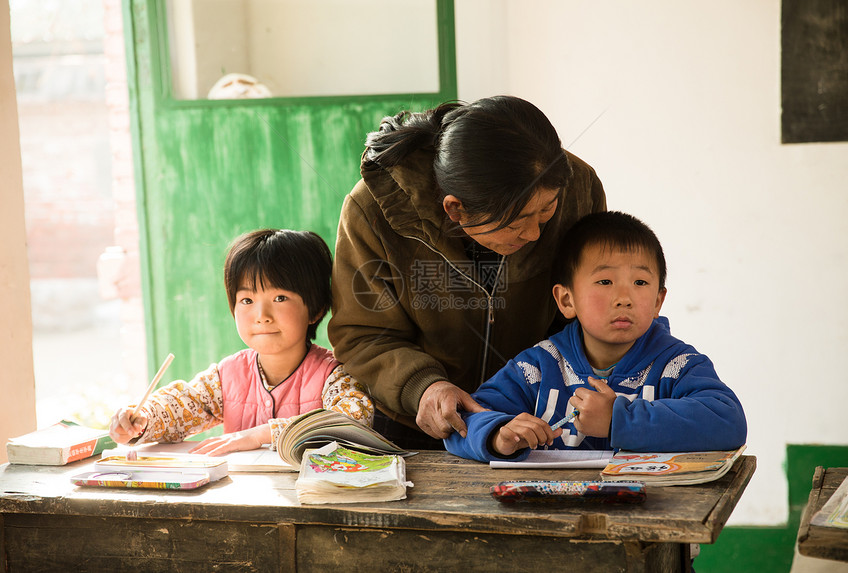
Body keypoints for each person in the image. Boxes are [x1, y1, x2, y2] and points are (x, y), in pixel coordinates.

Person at [328, 95, 606, 449]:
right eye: (518, 221)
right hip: (425, 425)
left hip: (535, 421)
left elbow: (589, 307)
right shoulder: (372, 209)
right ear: (455, 209)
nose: (535, 234)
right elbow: (363, 333)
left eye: (546, 211)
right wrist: (424, 386)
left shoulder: (578, 187)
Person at [444, 211, 747, 462]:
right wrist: (498, 435)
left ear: (658, 300)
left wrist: (618, 420)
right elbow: (462, 422)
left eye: (640, 281)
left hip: (649, 517)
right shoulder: (538, 367)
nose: (624, 298)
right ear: (566, 300)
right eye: (605, 281)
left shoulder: (677, 365)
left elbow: (727, 422)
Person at [109, 229, 373, 456]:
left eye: (280, 298)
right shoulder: (227, 376)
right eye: (247, 300)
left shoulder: (336, 375)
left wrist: (260, 435)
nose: (262, 316)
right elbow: (182, 406)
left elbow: (352, 420)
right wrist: (143, 420)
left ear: (316, 310)